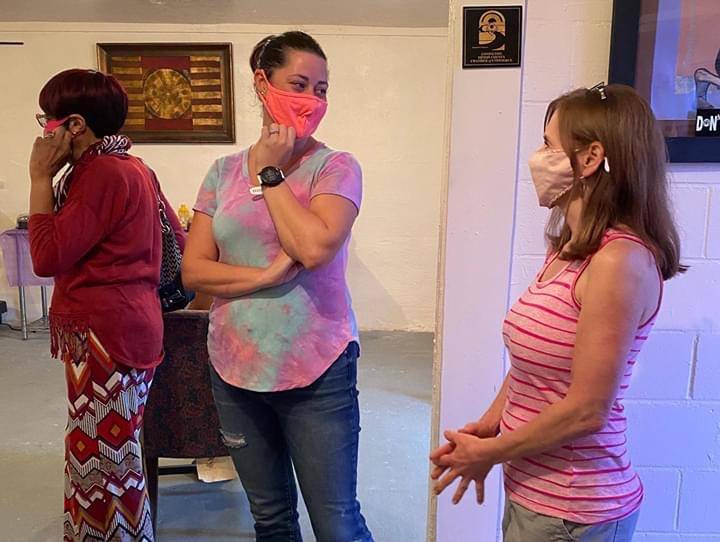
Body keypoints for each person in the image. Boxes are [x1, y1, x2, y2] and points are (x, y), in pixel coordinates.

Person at [430, 83, 684, 541]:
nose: (538, 157)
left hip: (573, 510)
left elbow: (588, 410)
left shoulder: (618, 262)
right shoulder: (569, 248)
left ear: (589, 158)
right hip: (535, 495)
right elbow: (536, 363)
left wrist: (492, 453)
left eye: (548, 145)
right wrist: (490, 426)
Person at [183, 31, 373, 542]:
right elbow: (194, 270)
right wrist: (265, 277)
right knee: (270, 520)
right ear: (262, 83)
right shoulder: (222, 172)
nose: (313, 100)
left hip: (317, 368)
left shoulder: (335, 167)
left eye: (322, 89)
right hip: (234, 367)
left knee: (336, 523)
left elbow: (312, 248)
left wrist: (270, 172)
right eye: (299, 84)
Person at [28, 68, 184, 541]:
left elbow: (46, 257)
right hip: (125, 326)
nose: (44, 131)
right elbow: (176, 240)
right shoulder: (131, 166)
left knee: (103, 460)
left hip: (106, 334)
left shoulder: (101, 173)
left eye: (48, 120)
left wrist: (38, 178)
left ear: (74, 125)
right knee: (104, 452)